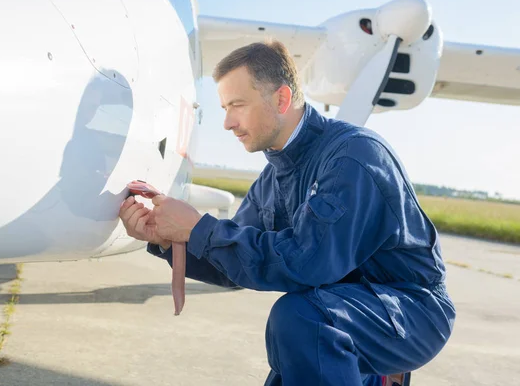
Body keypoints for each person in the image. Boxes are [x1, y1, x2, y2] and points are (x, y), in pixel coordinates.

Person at [119, 40, 456, 386]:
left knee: (299, 320)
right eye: (223, 107)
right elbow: (233, 263)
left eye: (237, 105)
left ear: (281, 99)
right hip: (340, 307)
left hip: (411, 308)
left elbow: (306, 263)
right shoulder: (275, 175)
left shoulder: (353, 157)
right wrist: (167, 238)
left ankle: (382, 377)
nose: (227, 123)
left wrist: (197, 227)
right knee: (294, 346)